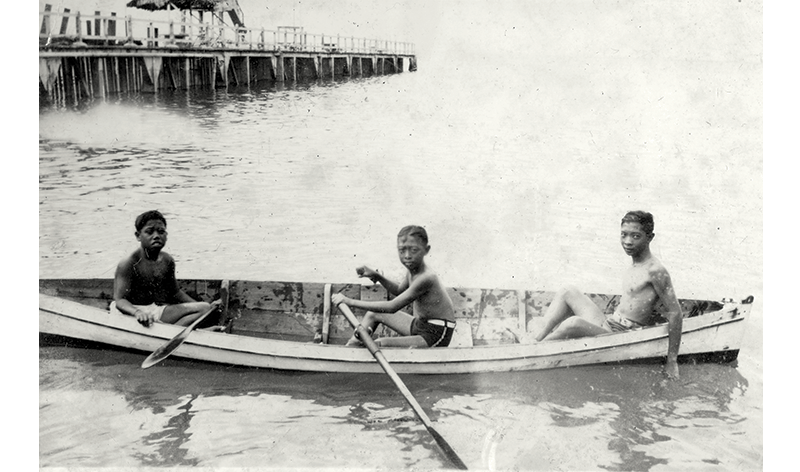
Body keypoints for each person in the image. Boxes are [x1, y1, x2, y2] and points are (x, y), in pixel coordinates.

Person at [531, 211, 684, 379]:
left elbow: (675, 312)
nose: (627, 242)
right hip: (609, 324)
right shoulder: (635, 263)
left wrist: (672, 361)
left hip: (622, 334)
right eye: (624, 235)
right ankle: (536, 340)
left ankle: (534, 351)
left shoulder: (655, 270)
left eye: (635, 236)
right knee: (568, 291)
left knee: (573, 323)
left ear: (650, 237)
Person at [331, 225, 457, 348]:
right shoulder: (412, 271)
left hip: (437, 333)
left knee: (380, 343)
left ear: (426, 249)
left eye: (413, 250)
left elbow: (392, 307)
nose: (407, 255)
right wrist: (378, 276)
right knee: (373, 314)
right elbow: (399, 291)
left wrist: (349, 301)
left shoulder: (426, 277)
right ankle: (351, 348)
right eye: (402, 250)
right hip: (421, 325)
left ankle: (352, 354)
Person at [111, 210, 220, 328]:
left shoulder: (167, 260)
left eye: (161, 231)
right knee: (204, 308)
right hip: (130, 312)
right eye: (149, 232)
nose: (156, 236)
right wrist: (138, 313)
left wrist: (199, 305)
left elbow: (175, 293)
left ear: (166, 235)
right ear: (138, 236)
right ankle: (175, 332)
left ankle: (171, 331)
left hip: (153, 310)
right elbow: (120, 300)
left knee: (205, 309)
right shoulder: (129, 263)